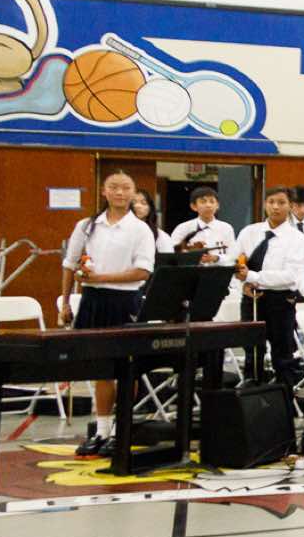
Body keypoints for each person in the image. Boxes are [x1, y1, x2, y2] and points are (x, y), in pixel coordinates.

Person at [59, 170, 156, 454]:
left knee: (127, 369)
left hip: (126, 302)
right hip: (93, 301)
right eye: (114, 187)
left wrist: (101, 278)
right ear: (104, 191)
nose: (120, 192)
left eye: (126, 187)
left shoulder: (140, 229)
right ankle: (101, 431)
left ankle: (120, 429)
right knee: (102, 369)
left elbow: (143, 271)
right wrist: (65, 303)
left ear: (133, 193)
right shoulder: (87, 226)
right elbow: (69, 264)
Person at [234, 186, 304, 389]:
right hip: (251, 298)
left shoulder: (297, 239)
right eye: (271, 202)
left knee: (282, 355)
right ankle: (252, 394)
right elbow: (234, 262)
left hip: (280, 301)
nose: (276, 207)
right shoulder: (249, 232)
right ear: (265, 204)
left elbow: (291, 276)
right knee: (252, 352)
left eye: (281, 203)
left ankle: (285, 398)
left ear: (291, 206)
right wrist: (244, 283)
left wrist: (253, 277)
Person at [170, 185, 236, 261]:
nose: (208, 205)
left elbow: (233, 255)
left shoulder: (226, 228)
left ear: (217, 205)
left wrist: (216, 258)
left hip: (218, 267)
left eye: (212, 201)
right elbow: (172, 252)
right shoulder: (182, 228)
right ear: (193, 206)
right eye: (203, 202)